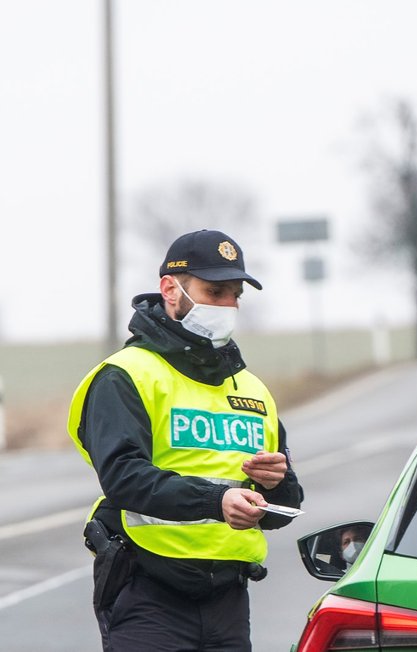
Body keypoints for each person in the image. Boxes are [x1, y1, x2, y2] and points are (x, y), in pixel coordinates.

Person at [67, 229, 304, 651]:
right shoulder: (126, 376)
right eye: (214, 291)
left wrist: (273, 485)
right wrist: (215, 502)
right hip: (148, 592)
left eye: (235, 295)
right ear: (170, 290)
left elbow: (284, 508)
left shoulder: (253, 390)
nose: (227, 305)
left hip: (229, 599)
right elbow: (123, 476)